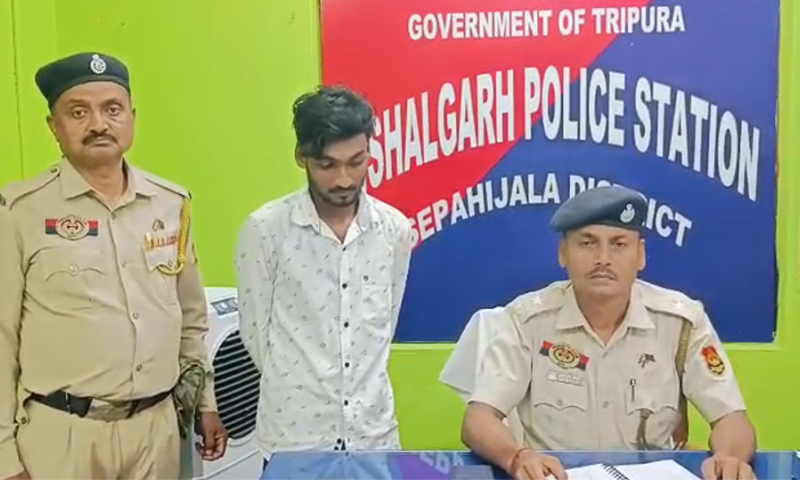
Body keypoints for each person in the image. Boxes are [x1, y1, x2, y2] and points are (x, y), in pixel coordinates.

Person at [0, 52, 228, 480]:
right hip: (63, 437)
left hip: (156, 432)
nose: (98, 124)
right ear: (53, 126)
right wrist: (3, 458)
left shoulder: (170, 204)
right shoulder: (18, 212)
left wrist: (206, 404)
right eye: (78, 112)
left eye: (112, 109)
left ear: (132, 118)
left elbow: (192, 319)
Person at [448, 185, 756, 480]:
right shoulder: (526, 322)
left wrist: (730, 457)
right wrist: (516, 456)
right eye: (587, 243)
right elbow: (479, 420)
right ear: (563, 253)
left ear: (640, 254)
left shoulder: (682, 322)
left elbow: (731, 418)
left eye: (619, 244)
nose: (603, 259)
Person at [234, 85, 414, 466]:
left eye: (356, 161)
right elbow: (256, 337)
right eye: (327, 165)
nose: (344, 179)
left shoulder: (394, 230)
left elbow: (386, 323)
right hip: (293, 440)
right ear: (302, 157)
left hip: (373, 438)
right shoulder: (266, 230)